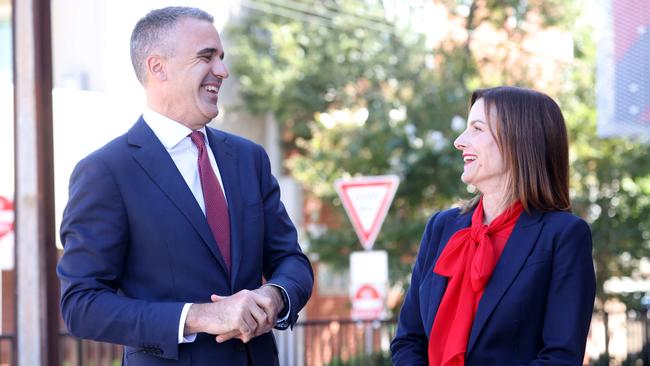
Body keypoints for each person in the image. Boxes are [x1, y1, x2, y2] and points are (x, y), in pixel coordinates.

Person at [57, 6, 313, 365]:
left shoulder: (249, 158)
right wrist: (199, 316)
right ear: (157, 67)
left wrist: (275, 295)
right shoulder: (106, 171)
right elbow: (81, 304)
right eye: (206, 57)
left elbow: (291, 260)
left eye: (221, 58)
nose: (222, 71)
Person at [391, 86, 596, 365]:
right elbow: (408, 340)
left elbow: (560, 357)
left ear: (518, 140)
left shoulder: (563, 235)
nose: (460, 141)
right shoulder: (441, 227)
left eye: (477, 128)